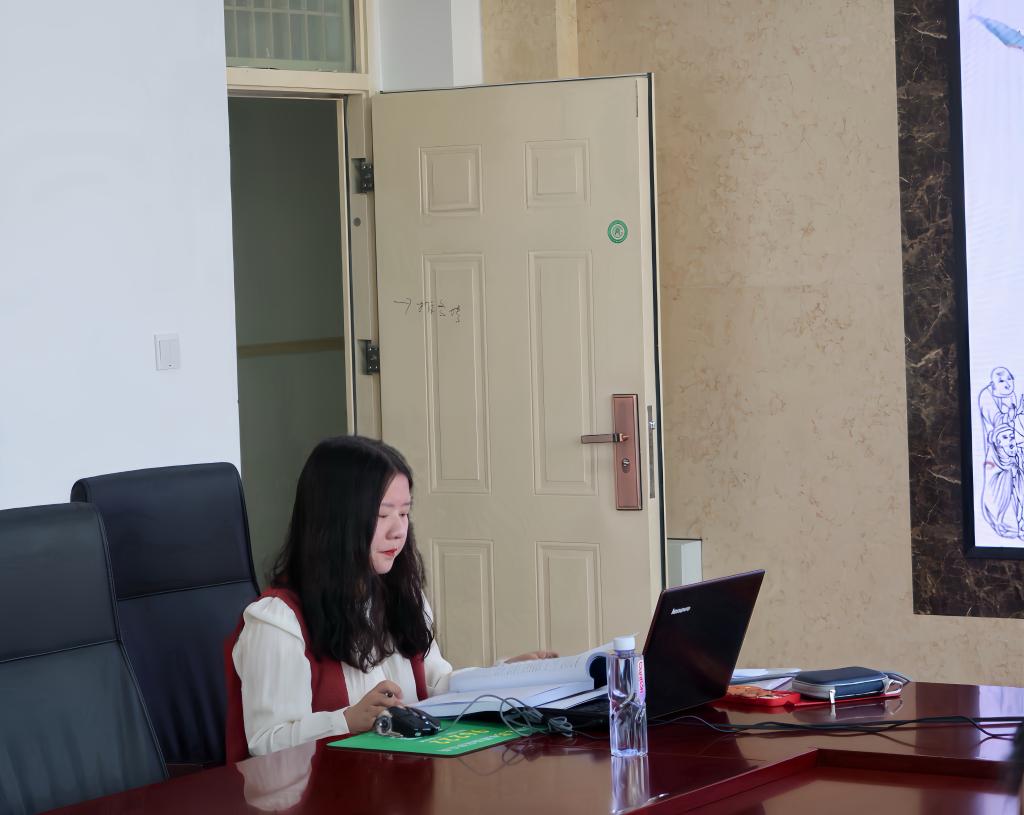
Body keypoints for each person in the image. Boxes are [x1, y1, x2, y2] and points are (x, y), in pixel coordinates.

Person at [225, 435, 556, 759]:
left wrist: (503, 678)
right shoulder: (278, 622)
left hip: (399, 782)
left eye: (404, 513)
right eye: (382, 515)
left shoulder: (401, 596)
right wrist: (346, 720)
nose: (398, 531)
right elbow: (266, 743)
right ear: (336, 522)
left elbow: (436, 685)